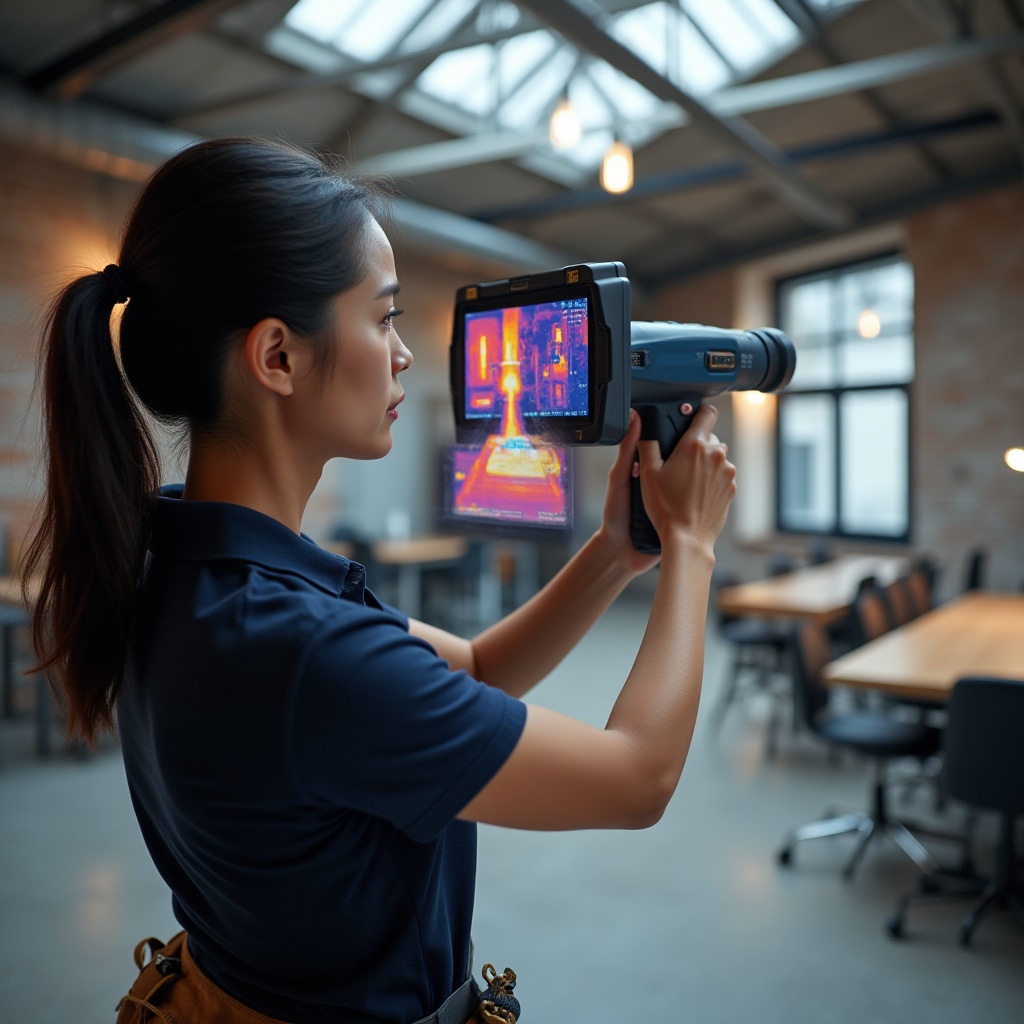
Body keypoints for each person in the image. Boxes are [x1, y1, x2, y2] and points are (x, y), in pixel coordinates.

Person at [24, 136, 736, 1024]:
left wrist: (616, 554)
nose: (403, 355)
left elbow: (470, 669)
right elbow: (638, 780)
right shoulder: (298, 651)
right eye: (384, 316)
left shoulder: (178, 557)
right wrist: (696, 549)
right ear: (277, 357)